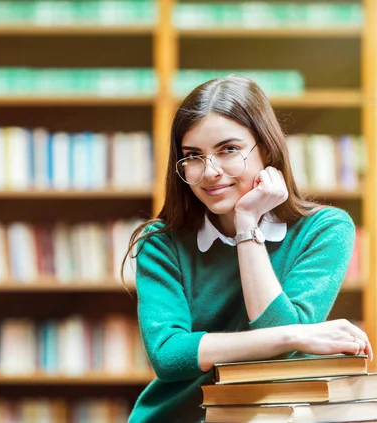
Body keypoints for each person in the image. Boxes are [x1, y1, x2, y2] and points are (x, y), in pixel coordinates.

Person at [122, 75, 373, 422]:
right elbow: (168, 356)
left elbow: (279, 351)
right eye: (193, 156)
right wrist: (296, 335)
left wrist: (246, 224)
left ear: (266, 148)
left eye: (228, 149)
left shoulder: (326, 230)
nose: (210, 172)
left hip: (276, 415)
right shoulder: (161, 243)